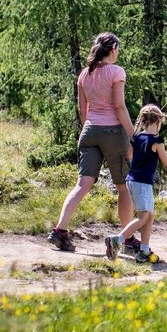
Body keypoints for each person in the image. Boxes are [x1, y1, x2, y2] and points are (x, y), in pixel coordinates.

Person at [47, 33, 137, 253]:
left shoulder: (85, 74)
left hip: (89, 131)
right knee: (123, 187)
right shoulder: (117, 72)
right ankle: (126, 238)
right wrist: (133, 134)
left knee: (82, 184)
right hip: (113, 132)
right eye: (118, 48)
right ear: (113, 48)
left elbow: (82, 110)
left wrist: (90, 126)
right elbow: (118, 106)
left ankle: (60, 230)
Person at [105, 104, 167, 263]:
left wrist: (137, 165)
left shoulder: (138, 137)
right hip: (142, 183)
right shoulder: (156, 141)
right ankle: (117, 240)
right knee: (143, 217)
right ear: (158, 121)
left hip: (133, 180)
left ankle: (144, 250)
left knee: (150, 215)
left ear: (143, 120)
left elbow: (129, 153)